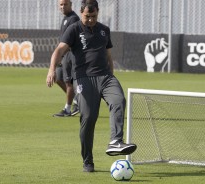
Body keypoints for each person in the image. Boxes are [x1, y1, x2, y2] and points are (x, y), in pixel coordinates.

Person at [46, 0, 137, 172]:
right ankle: (87, 160)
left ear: (98, 13)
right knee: (88, 119)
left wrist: (111, 76)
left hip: (106, 77)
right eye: (87, 16)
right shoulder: (73, 29)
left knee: (119, 100)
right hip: (83, 79)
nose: (90, 20)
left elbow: (108, 56)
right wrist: (52, 70)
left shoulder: (104, 30)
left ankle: (115, 141)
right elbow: (59, 50)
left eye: (93, 16)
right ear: (81, 12)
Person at [53, 0, 80, 117]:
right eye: (61, 4)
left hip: (69, 54)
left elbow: (70, 40)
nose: (63, 6)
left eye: (65, 4)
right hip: (63, 54)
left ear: (71, 4)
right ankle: (77, 100)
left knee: (68, 82)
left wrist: (62, 55)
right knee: (58, 78)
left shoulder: (73, 18)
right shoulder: (66, 18)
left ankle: (68, 109)